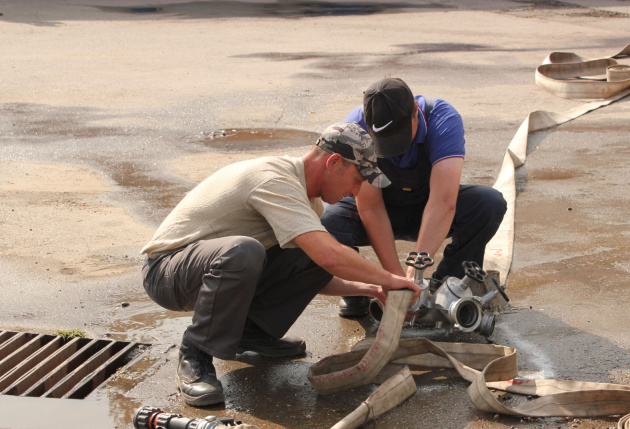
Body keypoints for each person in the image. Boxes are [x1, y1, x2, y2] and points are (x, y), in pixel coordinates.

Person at [140, 122, 421, 407]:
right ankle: (195, 354)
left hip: (209, 267)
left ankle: (250, 333)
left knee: (315, 247)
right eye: (358, 180)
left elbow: (317, 269)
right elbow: (330, 257)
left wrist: (370, 288)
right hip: (166, 271)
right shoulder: (274, 180)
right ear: (334, 162)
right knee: (246, 252)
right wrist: (390, 279)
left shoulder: (308, 202)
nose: (356, 191)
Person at [321, 77, 507, 318]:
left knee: (488, 204)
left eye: (398, 138)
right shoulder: (355, 126)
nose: (394, 150)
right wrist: (395, 279)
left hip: (428, 206)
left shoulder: (443, 119)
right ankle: (361, 291)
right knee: (328, 223)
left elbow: (443, 202)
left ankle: (447, 288)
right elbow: (371, 207)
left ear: (415, 114)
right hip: (383, 208)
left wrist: (414, 275)